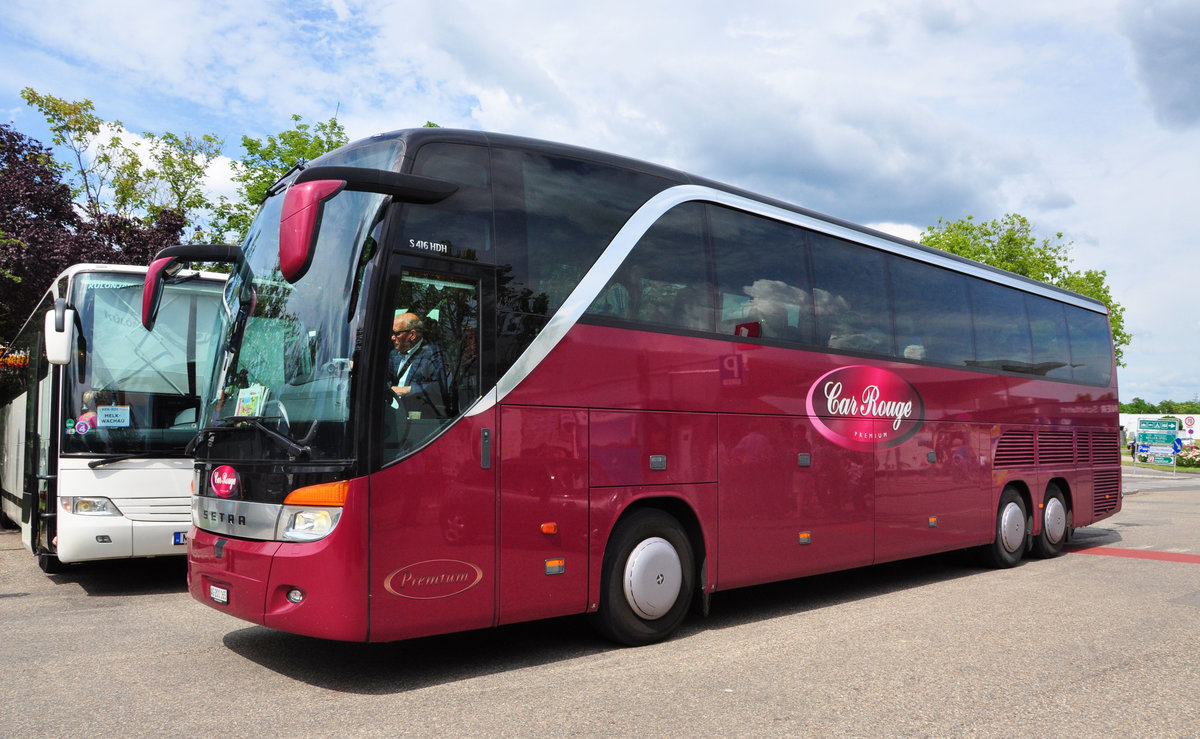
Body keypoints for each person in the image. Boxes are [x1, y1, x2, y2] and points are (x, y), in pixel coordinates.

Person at [389, 311, 446, 418]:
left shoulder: (433, 355)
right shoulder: (394, 354)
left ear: (412, 335)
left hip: (419, 417)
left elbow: (440, 386)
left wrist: (407, 390)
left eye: (397, 333)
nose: (392, 337)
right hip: (395, 414)